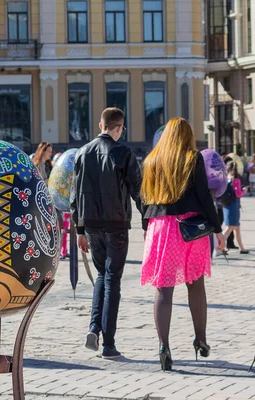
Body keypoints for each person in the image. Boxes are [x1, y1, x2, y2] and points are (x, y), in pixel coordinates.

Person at [140, 118, 224, 371]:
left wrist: (148, 228)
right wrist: (218, 229)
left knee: (163, 289)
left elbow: (144, 198)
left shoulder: (152, 160)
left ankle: (163, 346)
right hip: (190, 228)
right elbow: (203, 196)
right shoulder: (193, 158)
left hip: (160, 227)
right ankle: (201, 339)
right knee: (195, 283)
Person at [70, 107, 143, 360]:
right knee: (112, 279)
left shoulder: (82, 152)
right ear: (119, 127)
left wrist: (79, 230)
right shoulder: (123, 152)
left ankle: (93, 327)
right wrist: (148, 220)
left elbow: (74, 194)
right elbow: (138, 190)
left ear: (101, 125)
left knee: (102, 274)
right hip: (116, 224)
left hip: (90, 224)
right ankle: (109, 344)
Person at [222, 162, 249, 254]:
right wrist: (244, 191)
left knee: (237, 227)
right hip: (233, 205)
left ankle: (241, 248)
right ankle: (219, 246)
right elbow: (238, 194)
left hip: (226, 204)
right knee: (230, 227)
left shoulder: (226, 177)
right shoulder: (235, 179)